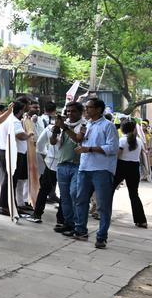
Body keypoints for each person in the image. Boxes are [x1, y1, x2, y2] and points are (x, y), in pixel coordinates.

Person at [71, 97, 119, 247]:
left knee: (103, 205)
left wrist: (89, 149)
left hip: (102, 169)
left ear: (98, 109)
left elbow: (112, 148)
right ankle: (80, 230)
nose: (86, 110)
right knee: (80, 200)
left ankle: (102, 236)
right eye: (86, 107)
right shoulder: (87, 124)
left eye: (89, 107)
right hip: (85, 167)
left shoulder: (108, 126)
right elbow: (81, 142)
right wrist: (81, 140)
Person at [50, 102, 85, 235]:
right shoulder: (63, 125)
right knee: (65, 197)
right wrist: (55, 130)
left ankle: (78, 224)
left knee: (74, 194)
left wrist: (64, 127)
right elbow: (53, 142)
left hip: (77, 165)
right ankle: (68, 223)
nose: (70, 114)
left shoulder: (83, 125)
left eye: (73, 111)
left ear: (80, 112)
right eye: (68, 111)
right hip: (62, 164)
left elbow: (77, 139)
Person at [0, 98, 31, 217]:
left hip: (6, 150)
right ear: (21, 110)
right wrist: (29, 135)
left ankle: (7, 204)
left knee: (9, 179)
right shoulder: (14, 121)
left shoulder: (5, 119)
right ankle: (6, 206)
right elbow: (20, 135)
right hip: (13, 152)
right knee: (11, 180)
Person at [113, 120, 147, 228]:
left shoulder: (122, 141)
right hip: (134, 168)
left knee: (109, 191)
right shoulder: (139, 141)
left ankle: (104, 215)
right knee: (134, 194)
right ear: (134, 129)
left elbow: (117, 156)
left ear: (122, 129)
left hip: (121, 167)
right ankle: (141, 220)